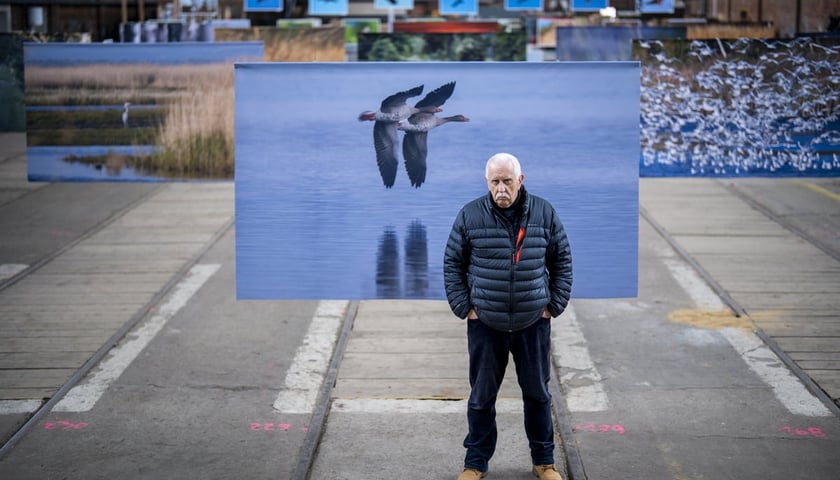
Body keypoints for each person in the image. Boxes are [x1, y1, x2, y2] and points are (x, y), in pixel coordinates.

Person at [443, 152, 573, 480]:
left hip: (532, 323)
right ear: (487, 182)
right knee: (481, 398)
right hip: (487, 324)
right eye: (495, 182)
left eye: (507, 181)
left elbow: (562, 260)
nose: (501, 189)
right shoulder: (470, 215)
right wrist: (465, 308)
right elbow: (452, 264)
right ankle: (475, 463)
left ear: (521, 180)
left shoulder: (544, 212)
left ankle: (544, 462)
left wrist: (553, 305)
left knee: (538, 396)